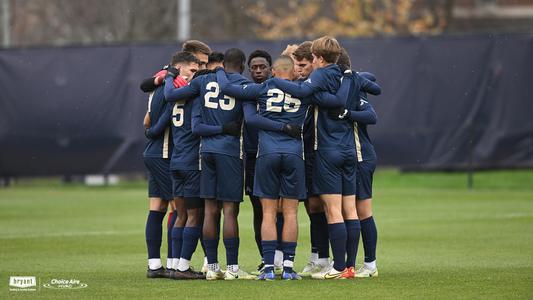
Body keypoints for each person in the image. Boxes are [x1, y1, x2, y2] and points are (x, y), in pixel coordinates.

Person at [217, 55, 351, 280]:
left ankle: (269, 268)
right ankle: (288, 267)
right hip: (293, 155)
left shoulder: (261, 88)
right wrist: (348, 77)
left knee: (268, 213)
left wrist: (219, 69)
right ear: (293, 72)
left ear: (273, 71)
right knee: (290, 213)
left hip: (267, 154)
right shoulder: (305, 91)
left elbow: (227, 88)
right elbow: (337, 101)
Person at [270, 36, 380, 279]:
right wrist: (350, 78)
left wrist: (277, 81)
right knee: (350, 210)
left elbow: (307, 91)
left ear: (317, 59)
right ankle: (348, 267)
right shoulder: (347, 79)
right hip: (348, 151)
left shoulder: (321, 77)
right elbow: (374, 85)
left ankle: (341, 267)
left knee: (337, 212)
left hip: (333, 152)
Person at [162, 48, 256, 280]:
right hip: (231, 152)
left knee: (211, 210)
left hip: (207, 152)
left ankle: (212, 268)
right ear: (242, 65)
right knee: (230, 211)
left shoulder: (203, 81)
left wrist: (169, 75)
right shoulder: (242, 84)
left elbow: (171, 96)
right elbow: (251, 119)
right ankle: (233, 269)